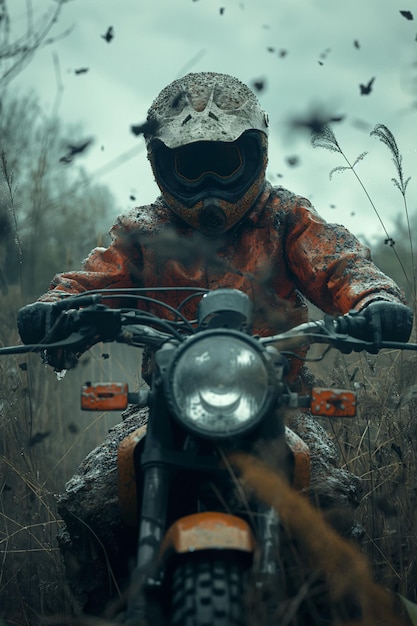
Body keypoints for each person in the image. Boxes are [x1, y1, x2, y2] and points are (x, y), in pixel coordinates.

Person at [16, 72, 413, 608]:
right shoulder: (142, 230)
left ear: (254, 155)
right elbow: (92, 282)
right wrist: (54, 313)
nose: (207, 183)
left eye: (222, 163)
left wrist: (374, 303)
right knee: (92, 509)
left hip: (280, 402)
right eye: (190, 165)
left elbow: (340, 263)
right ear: (162, 165)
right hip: (164, 404)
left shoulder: (285, 217)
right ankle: (107, 612)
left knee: (330, 504)